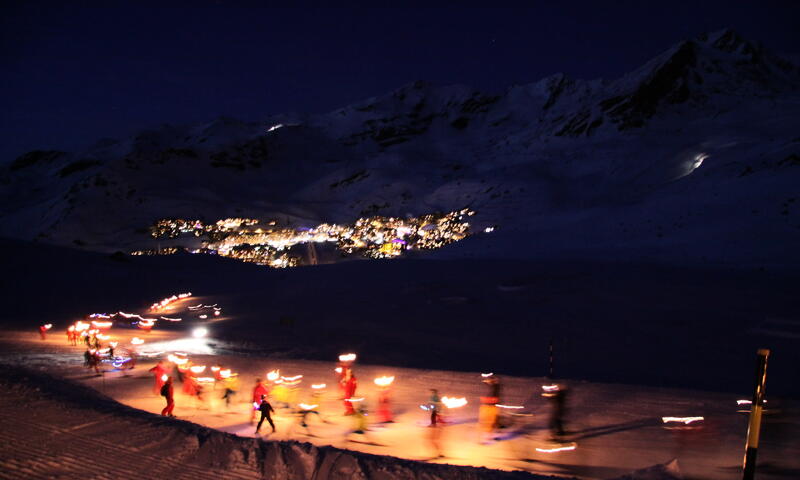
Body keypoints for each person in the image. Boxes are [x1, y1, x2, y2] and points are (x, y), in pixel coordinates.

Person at [478, 375, 502, 442]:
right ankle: (494, 384)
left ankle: (494, 384)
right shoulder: (487, 429)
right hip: (490, 406)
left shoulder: (486, 428)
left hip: (489, 407)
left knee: (493, 394)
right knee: (494, 394)